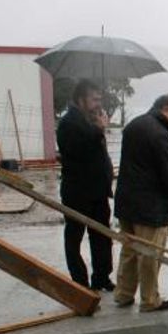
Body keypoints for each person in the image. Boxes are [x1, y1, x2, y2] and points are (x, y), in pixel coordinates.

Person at [112, 94, 168, 312]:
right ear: (165, 108)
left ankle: (123, 294)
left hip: (127, 201)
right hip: (150, 206)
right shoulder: (161, 135)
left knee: (129, 251)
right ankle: (150, 299)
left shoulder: (135, 125)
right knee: (150, 255)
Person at [56, 79, 114, 291]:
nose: (98, 104)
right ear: (81, 99)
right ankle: (80, 282)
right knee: (74, 238)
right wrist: (98, 131)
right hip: (77, 192)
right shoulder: (69, 123)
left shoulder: (92, 120)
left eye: (100, 99)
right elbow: (78, 152)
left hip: (98, 192)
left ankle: (102, 277)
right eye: (94, 99)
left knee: (101, 236)